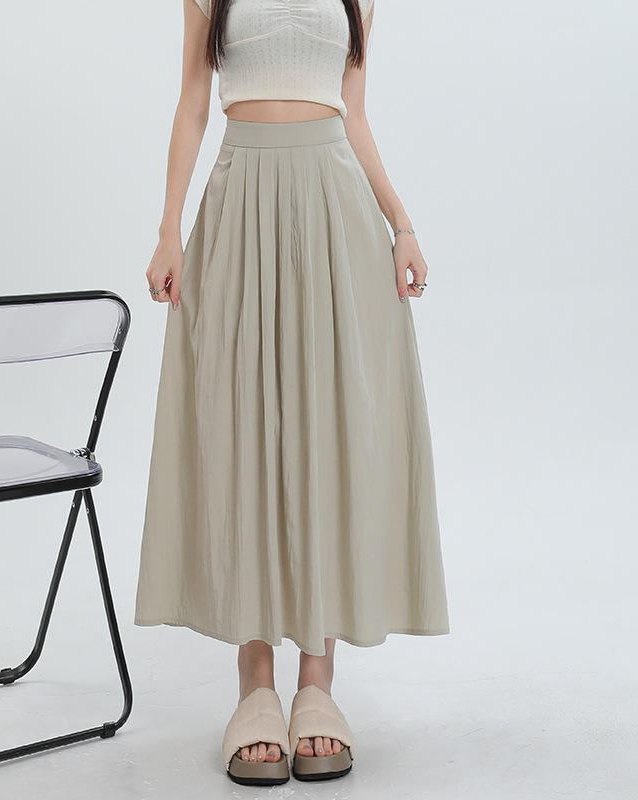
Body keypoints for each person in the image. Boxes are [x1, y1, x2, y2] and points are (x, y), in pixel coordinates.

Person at [134, 0, 450, 786]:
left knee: (326, 434)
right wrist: (170, 228)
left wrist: (402, 224)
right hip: (240, 202)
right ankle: (255, 686)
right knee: (244, 433)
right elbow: (193, 101)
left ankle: (316, 683)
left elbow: (354, 113)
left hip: (335, 207)